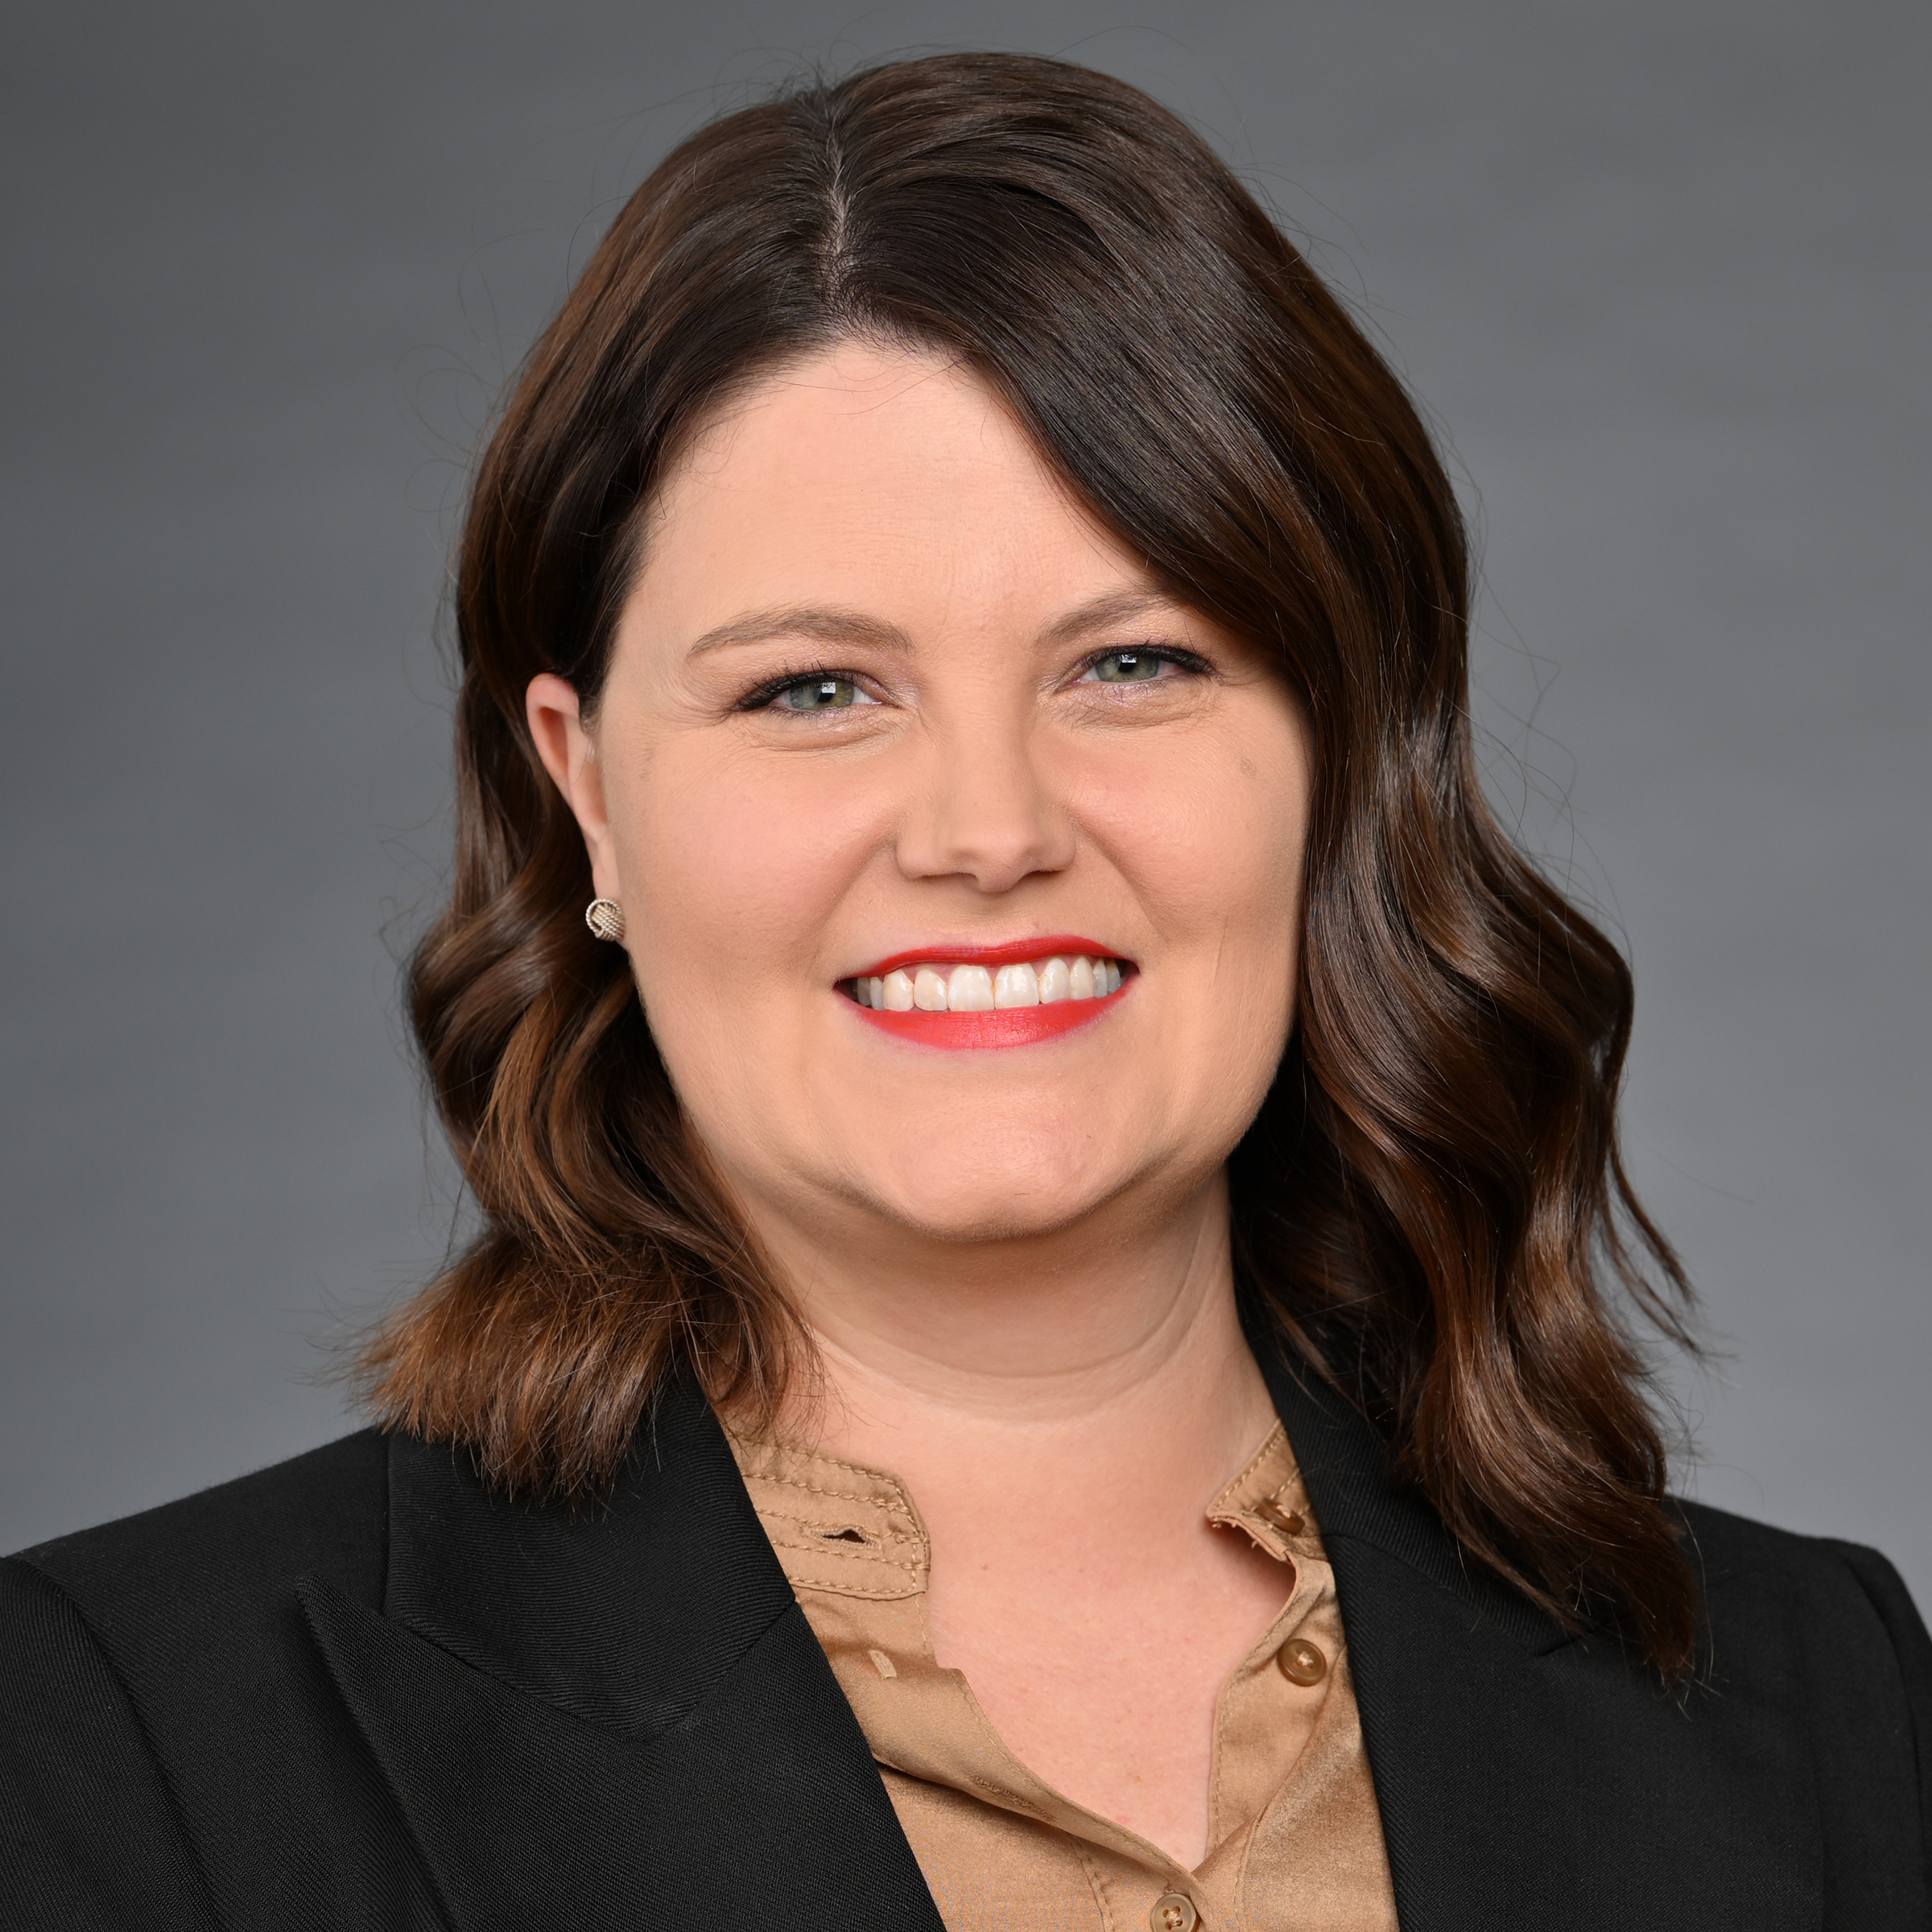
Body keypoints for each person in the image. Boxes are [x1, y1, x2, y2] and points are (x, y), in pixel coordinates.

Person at [2, 51, 1926, 1932]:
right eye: (813, 689)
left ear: (1343, 753)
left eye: (1137, 664)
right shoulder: (119, 1741)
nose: (988, 831)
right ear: (584, 794)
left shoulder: (1823, 1705)